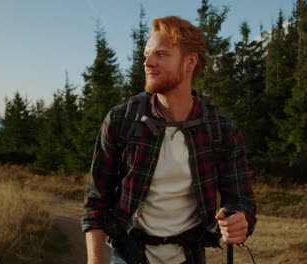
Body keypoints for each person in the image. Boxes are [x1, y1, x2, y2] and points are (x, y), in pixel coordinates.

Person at [81, 16, 257, 264]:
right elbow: (96, 200)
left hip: (191, 256)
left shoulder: (221, 129)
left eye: (161, 54)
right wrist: (95, 260)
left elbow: (241, 200)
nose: (148, 62)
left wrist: (241, 219)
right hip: (129, 255)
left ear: (190, 61)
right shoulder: (122, 120)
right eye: (147, 54)